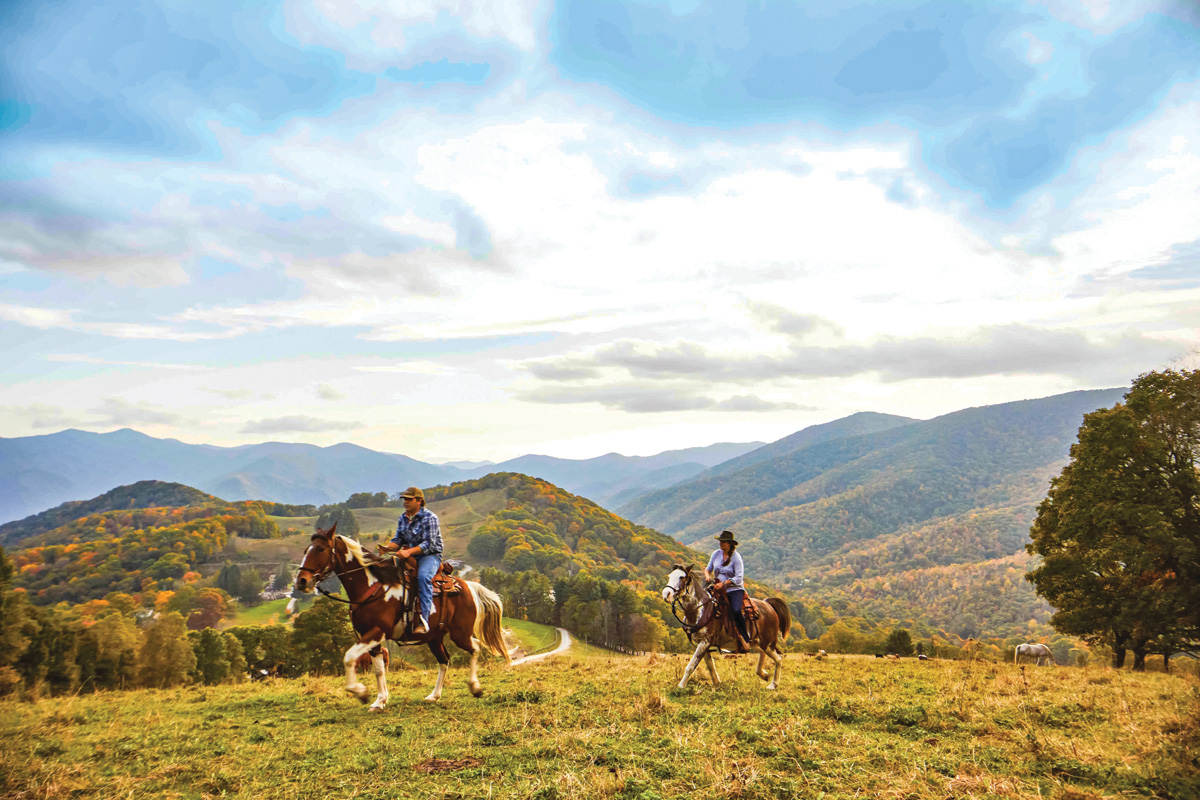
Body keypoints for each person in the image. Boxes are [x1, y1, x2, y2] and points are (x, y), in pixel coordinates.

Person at [379, 486, 442, 634]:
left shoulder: (430, 518)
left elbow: (429, 544)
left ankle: (424, 620)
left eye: (409, 499)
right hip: (410, 554)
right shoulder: (403, 518)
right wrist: (387, 548)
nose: (405, 502)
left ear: (419, 501)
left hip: (430, 555)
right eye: (404, 499)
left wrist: (408, 552)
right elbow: (398, 539)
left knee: (423, 577)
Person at [704, 530, 751, 653]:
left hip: (734, 589)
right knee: (707, 606)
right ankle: (710, 637)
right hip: (718, 588)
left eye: (723, 542)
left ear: (730, 544)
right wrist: (707, 576)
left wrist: (724, 583)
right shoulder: (716, 554)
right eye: (720, 541)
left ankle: (745, 637)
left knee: (735, 610)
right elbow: (708, 568)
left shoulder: (736, 557)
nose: (720, 544)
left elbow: (739, 577)